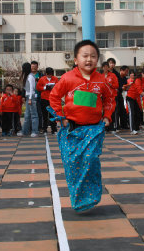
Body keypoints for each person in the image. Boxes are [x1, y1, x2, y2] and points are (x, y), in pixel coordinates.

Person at [49, 40, 115, 212]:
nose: (89, 59)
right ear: (76, 59)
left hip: (94, 129)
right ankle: (78, 199)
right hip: (72, 129)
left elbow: (109, 99)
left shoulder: (101, 80)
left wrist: (107, 116)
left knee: (90, 159)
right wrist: (60, 116)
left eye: (93, 56)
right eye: (85, 56)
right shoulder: (67, 78)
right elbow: (54, 97)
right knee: (72, 164)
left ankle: (91, 197)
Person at [126, 71, 144, 135]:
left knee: (138, 112)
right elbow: (140, 91)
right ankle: (132, 129)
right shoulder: (138, 80)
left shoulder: (143, 80)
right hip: (130, 97)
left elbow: (143, 89)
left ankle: (136, 128)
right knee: (131, 113)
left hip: (135, 98)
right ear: (142, 73)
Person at [19, 62, 39, 137]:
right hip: (28, 97)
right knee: (27, 115)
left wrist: (30, 98)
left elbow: (31, 89)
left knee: (34, 115)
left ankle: (35, 131)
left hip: (31, 97)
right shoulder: (27, 76)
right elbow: (27, 89)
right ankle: (25, 131)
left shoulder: (30, 76)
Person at [37, 67, 58, 135]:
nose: (50, 75)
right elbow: (38, 87)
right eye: (48, 74)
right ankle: (45, 129)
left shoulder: (55, 79)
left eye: (51, 74)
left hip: (52, 98)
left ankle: (54, 129)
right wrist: (45, 87)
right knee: (45, 115)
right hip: (44, 99)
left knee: (52, 114)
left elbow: (58, 86)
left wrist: (54, 87)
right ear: (46, 74)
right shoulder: (42, 79)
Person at [102, 62, 119, 132]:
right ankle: (106, 127)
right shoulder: (101, 76)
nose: (105, 68)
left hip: (112, 96)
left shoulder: (112, 75)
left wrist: (110, 84)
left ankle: (112, 127)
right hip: (104, 96)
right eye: (104, 67)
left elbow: (117, 85)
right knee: (104, 111)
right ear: (102, 68)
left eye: (107, 66)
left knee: (112, 111)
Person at [31, 60, 43, 132]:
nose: (33, 68)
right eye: (32, 66)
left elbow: (43, 84)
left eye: (35, 66)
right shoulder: (28, 75)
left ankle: (40, 127)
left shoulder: (41, 75)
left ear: (37, 67)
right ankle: (31, 127)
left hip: (39, 95)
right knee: (31, 113)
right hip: (30, 96)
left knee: (39, 112)